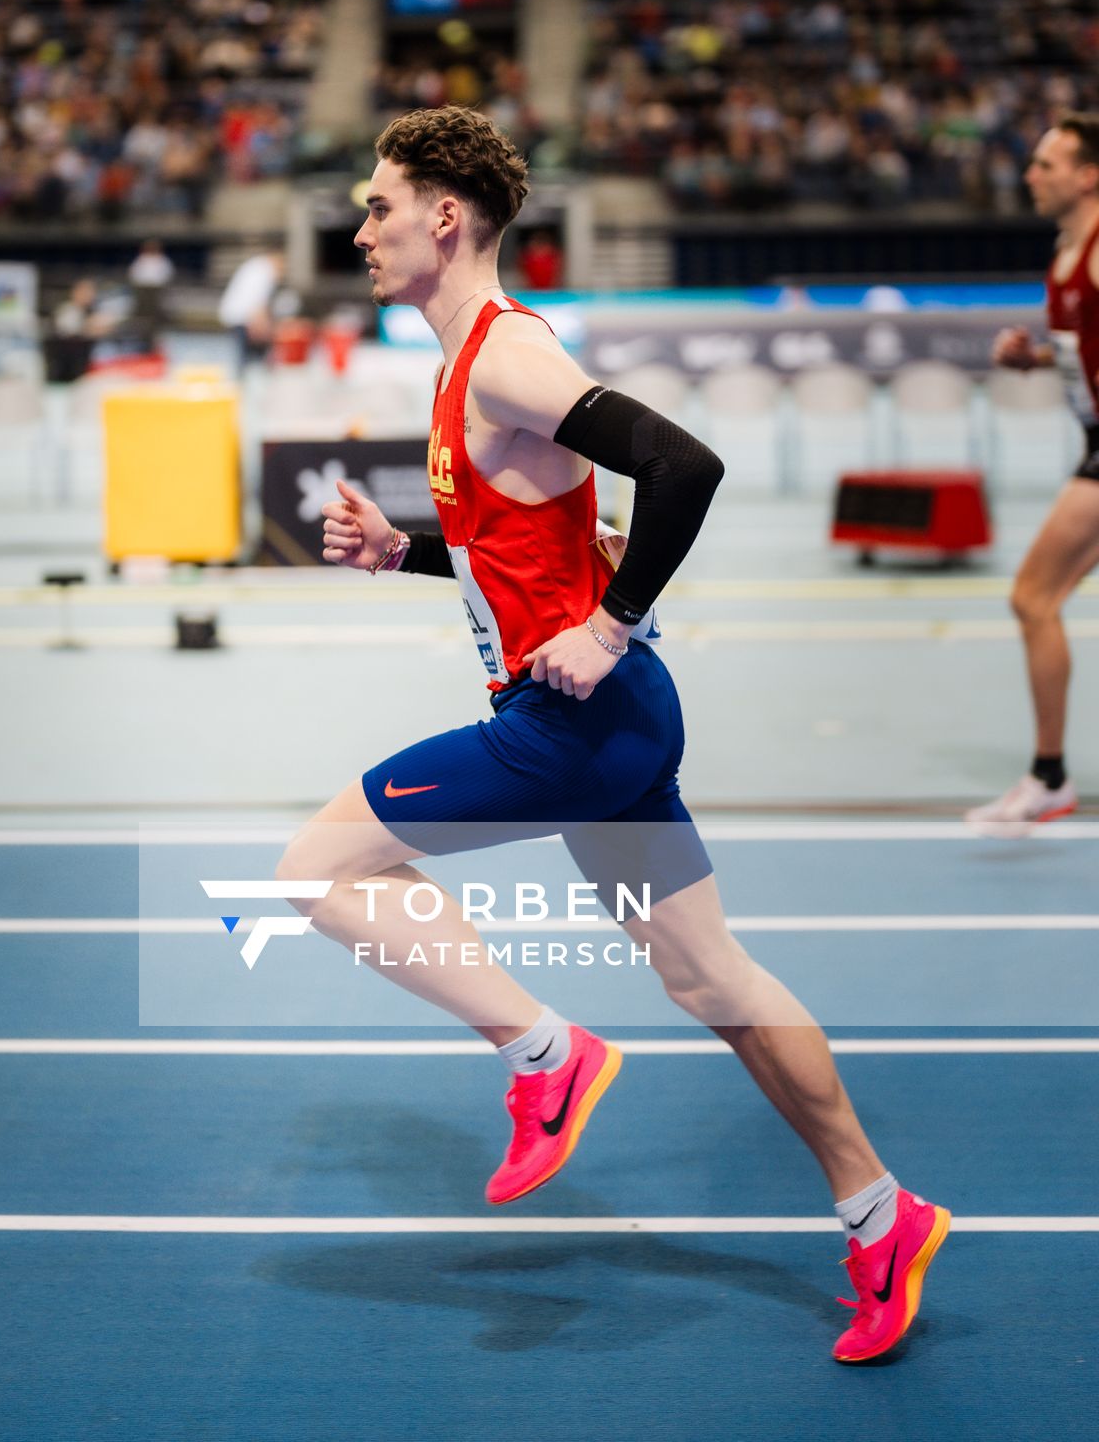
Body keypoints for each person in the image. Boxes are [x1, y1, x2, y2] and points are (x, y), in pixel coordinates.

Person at [280, 104, 948, 1364]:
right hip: (611, 718)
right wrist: (404, 552)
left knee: (316, 870)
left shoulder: (502, 356)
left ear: (443, 216)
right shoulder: (461, 360)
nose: (358, 228)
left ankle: (549, 1053)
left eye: (376, 206)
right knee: (709, 980)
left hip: (575, 719)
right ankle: (879, 1210)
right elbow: (518, 551)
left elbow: (681, 465)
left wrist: (616, 621)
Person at [968, 113, 1099, 827]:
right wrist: (1036, 358)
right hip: (1093, 444)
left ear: (1088, 175)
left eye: (1047, 165)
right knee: (1036, 599)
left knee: (1033, 597)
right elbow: (1085, 351)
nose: (1030, 176)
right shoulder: (1066, 251)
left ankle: (1049, 777)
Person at [218, 248, 282, 372]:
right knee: (247, 358)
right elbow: (258, 305)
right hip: (243, 317)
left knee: (243, 357)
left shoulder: (255, 266)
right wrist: (265, 329)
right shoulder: (265, 272)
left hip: (236, 315)